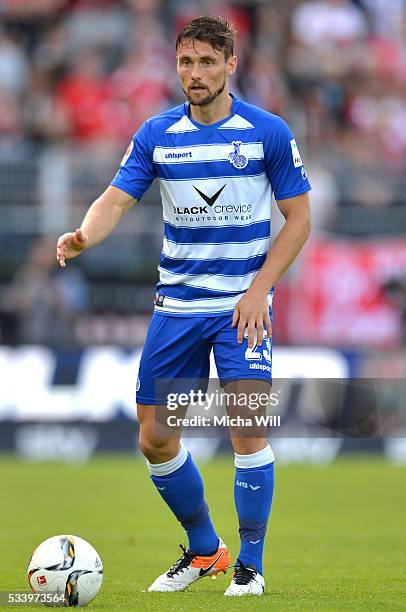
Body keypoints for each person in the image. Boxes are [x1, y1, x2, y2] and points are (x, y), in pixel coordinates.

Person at [56, 16, 311, 597]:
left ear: (230, 66)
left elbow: (299, 219)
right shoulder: (156, 133)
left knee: (247, 428)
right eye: (185, 63)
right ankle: (205, 550)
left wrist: (258, 290)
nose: (194, 75)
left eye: (205, 63)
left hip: (242, 309)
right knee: (155, 438)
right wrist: (84, 235)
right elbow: (115, 200)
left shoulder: (266, 132)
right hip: (178, 307)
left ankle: (250, 565)